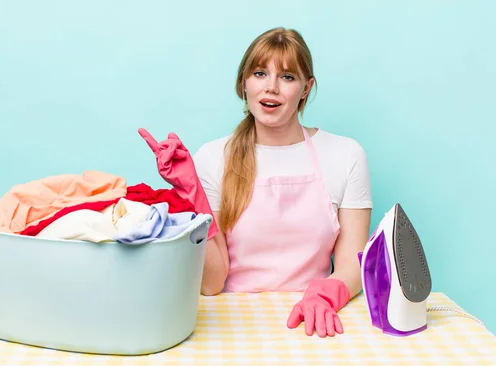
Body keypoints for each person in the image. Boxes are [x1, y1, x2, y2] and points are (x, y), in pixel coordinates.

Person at [138, 27, 372, 338]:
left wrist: (327, 292)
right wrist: (190, 192)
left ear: (306, 88)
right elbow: (211, 283)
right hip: (231, 326)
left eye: (287, 77)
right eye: (260, 73)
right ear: (243, 84)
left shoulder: (345, 155)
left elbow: (353, 263)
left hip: (314, 321)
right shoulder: (213, 157)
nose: (271, 88)